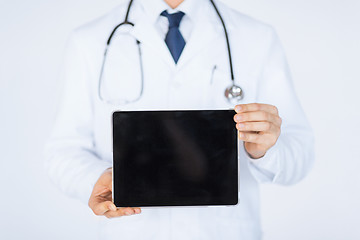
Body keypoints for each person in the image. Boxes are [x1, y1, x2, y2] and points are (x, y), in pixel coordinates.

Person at [44, 0, 314, 239]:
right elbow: (64, 150)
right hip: (133, 231)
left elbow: (300, 154)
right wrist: (99, 179)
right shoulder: (89, 40)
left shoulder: (257, 37)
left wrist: (264, 151)